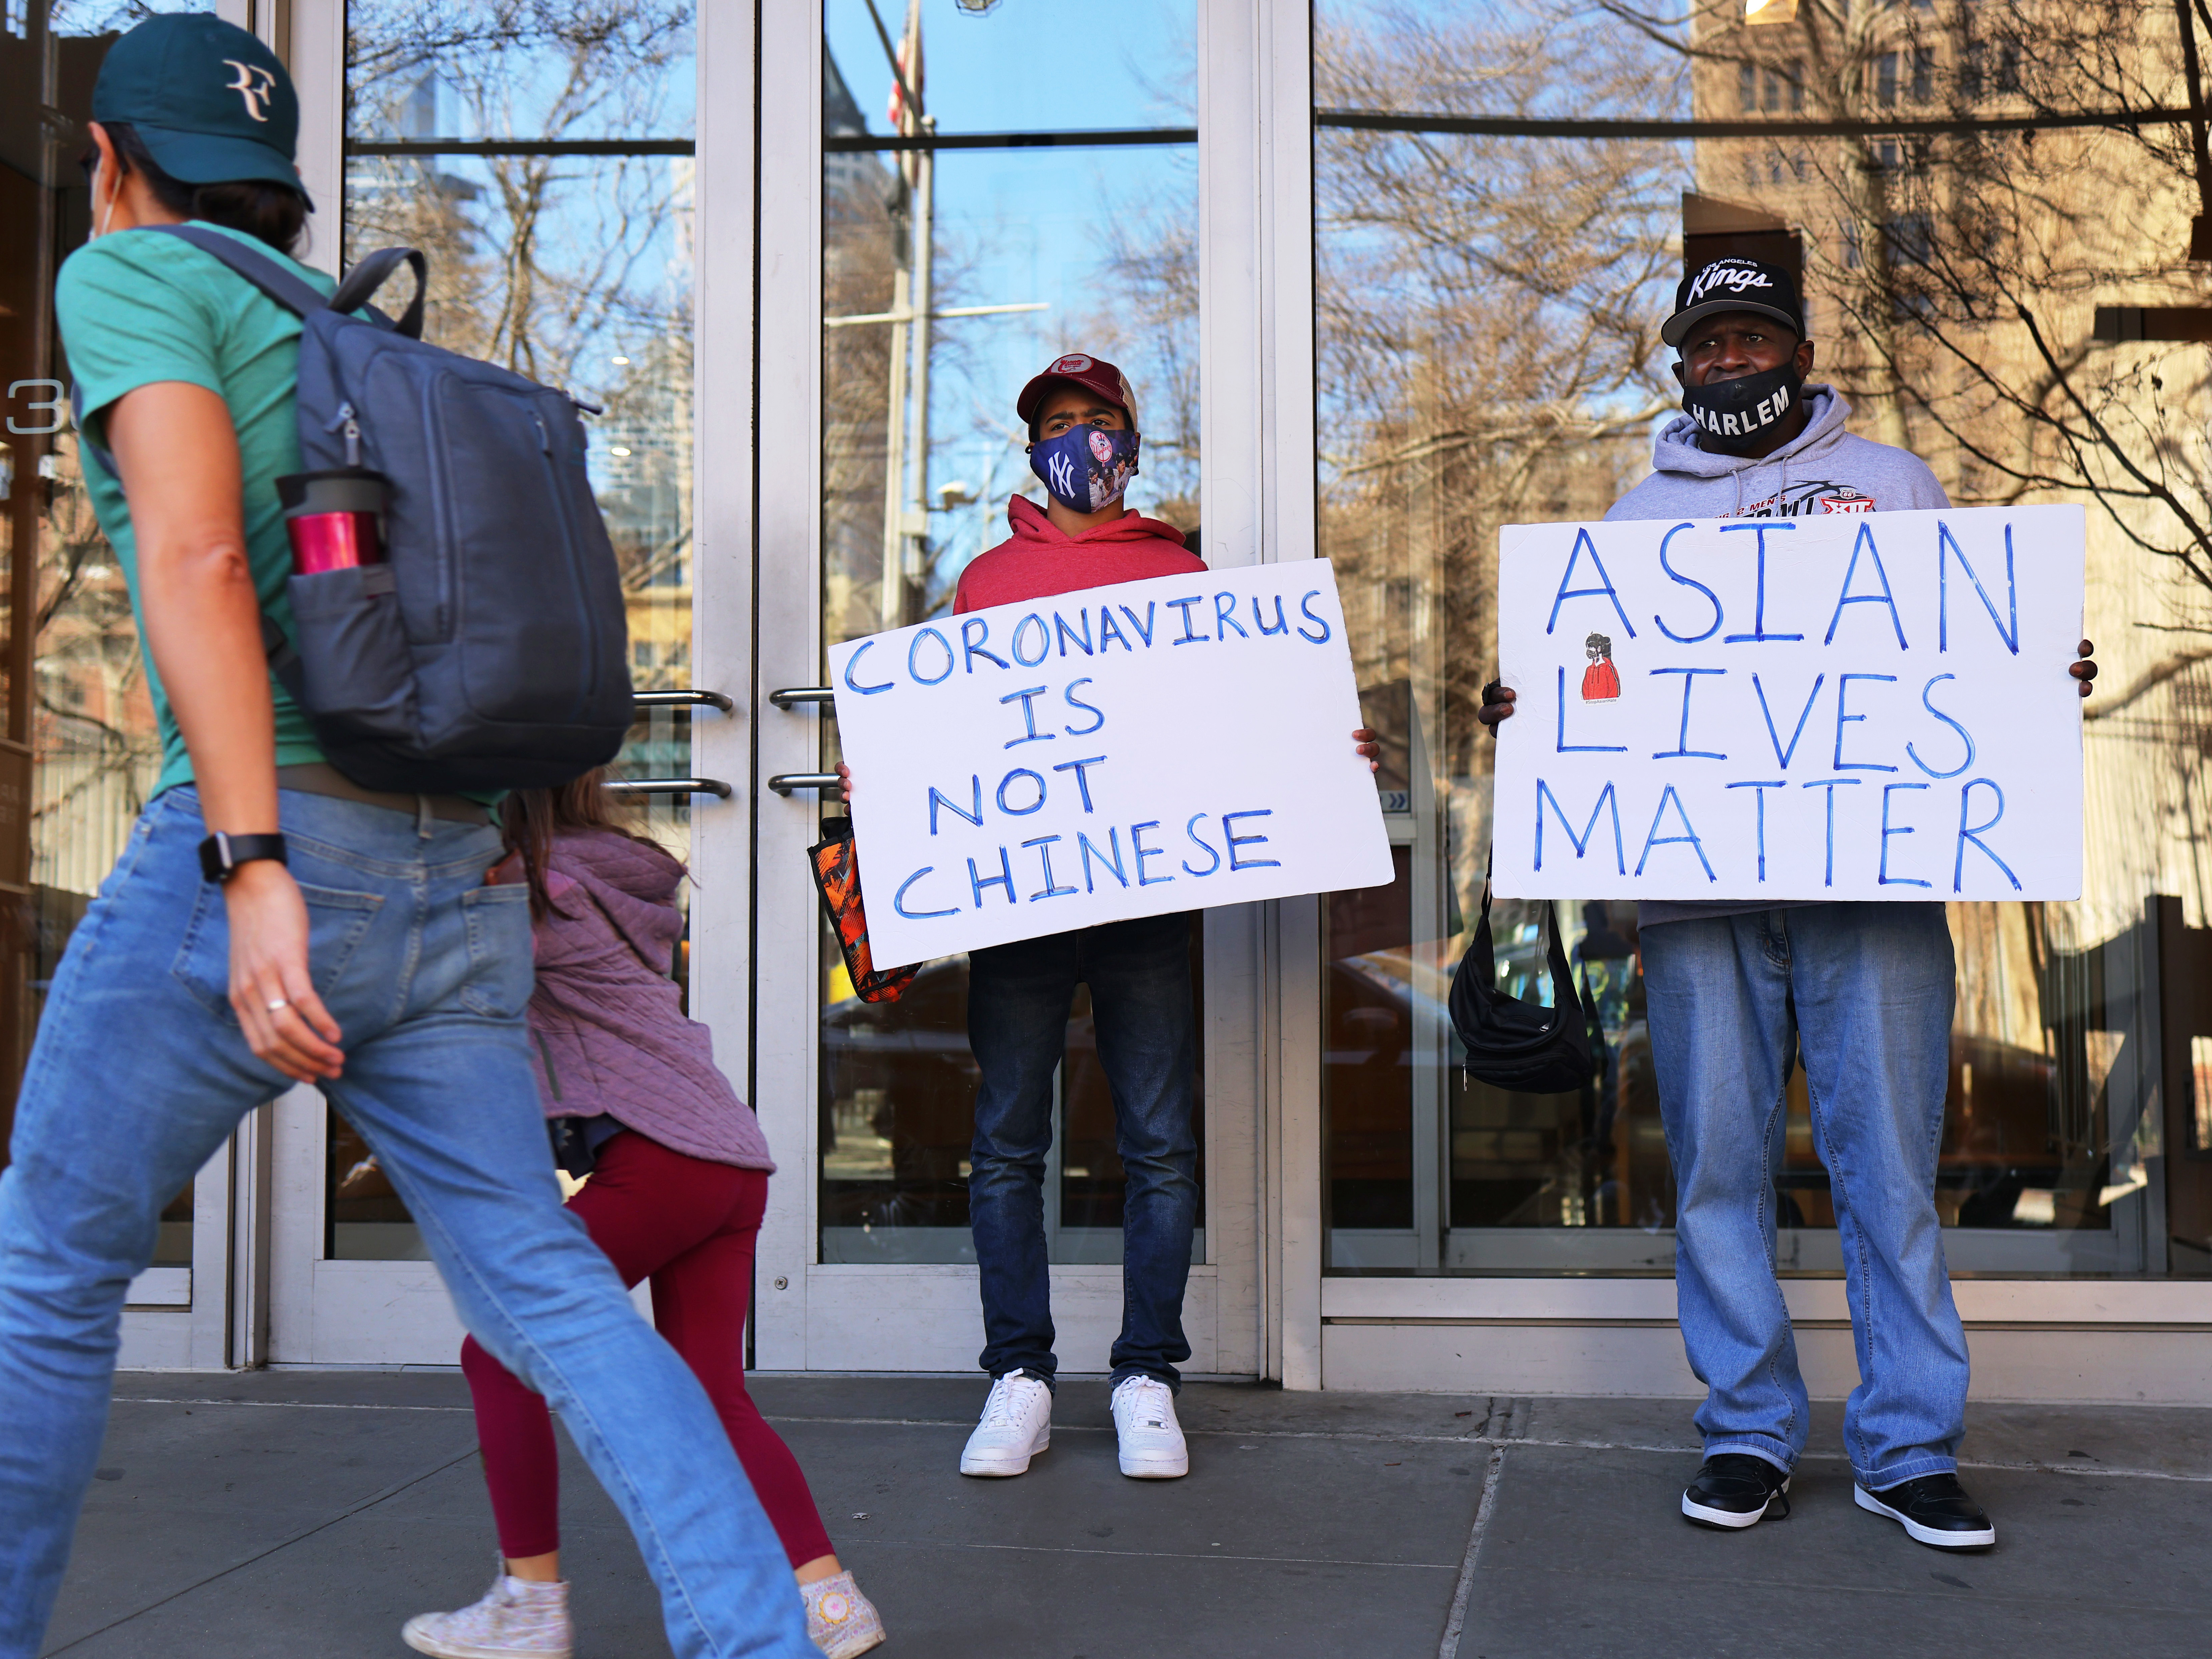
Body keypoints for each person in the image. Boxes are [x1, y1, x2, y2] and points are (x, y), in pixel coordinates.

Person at [0, 18, 810, 1657]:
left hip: (271, 845)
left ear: (111, 160)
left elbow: (199, 560)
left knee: (48, 1272)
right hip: (453, 877)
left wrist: (253, 867)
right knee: (554, 1290)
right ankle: (758, 1637)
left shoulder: (135, 277)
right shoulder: (338, 331)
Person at [1480, 257, 2098, 1552]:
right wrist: (1529, 713)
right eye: (1705, 346)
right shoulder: (1635, 520)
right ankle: (1748, 1430)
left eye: (1751, 337)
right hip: (1700, 900)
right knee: (1714, 1165)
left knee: (1889, 1168)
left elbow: (1962, 652)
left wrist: (2030, 673)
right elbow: (1604, 688)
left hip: (1865, 888)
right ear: (1679, 366)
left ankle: (1907, 1445)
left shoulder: (1892, 485)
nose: (1728, 362)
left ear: (1797, 351)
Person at [839, 352, 1379, 1482]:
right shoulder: (985, 582)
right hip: (1021, 908)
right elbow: (953, 738)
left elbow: (1243, 722)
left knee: (1158, 1142)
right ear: (1030, 449)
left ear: (1131, 442)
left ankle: (1147, 1377)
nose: (1078, 439)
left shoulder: (1181, 572)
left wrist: (1322, 750)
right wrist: (889, 777)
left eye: (1097, 421)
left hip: (1144, 903)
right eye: (1057, 422)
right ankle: (1017, 1377)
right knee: (1005, 1143)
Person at [403, 778, 885, 1659]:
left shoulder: (527, 890)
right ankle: (828, 1598)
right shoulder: (618, 878)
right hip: (730, 1158)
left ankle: (529, 1604)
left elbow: (419, 979)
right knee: (712, 1391)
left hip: (660, 1159)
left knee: (501, 1347)